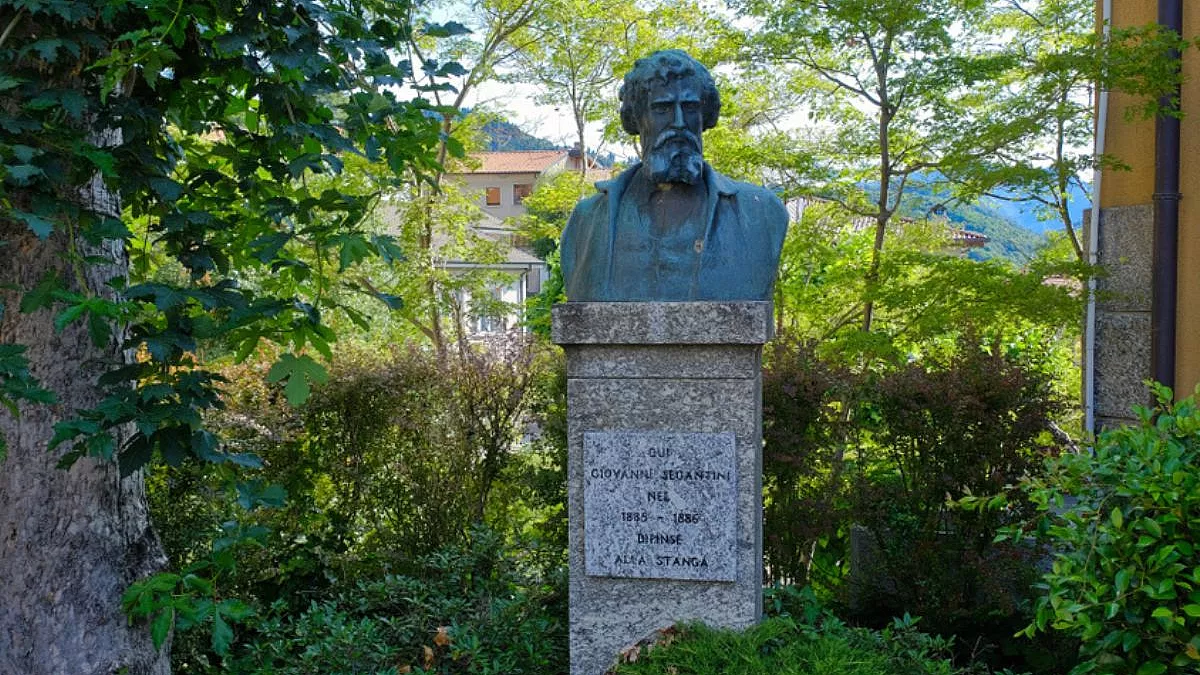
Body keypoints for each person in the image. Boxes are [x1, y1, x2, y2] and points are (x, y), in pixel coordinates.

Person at [560, 49, 788, 301]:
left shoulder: (760, 213)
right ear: (636, 117)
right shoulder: (588, 220)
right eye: (662, 108)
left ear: (705, 116)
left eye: (690, 108)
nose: (678, 122)